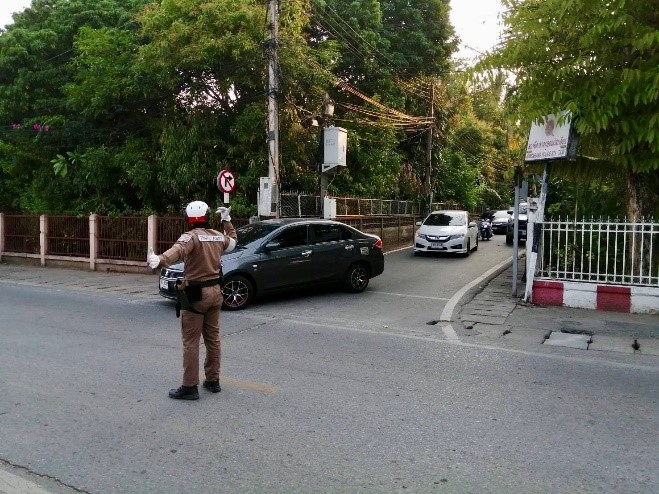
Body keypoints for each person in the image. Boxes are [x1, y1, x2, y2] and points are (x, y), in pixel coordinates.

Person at [148, 201, 237, 400]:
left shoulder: (190, 237)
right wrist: (227, 221)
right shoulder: (217, 236)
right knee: (213, 339)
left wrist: (160, 259)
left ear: (188, 219)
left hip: (196, 296)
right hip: (216, 293)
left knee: (191, 342)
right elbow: (233, 242)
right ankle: (213, 380)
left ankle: (189, 387)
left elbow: (177, 251)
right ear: (207, 217)